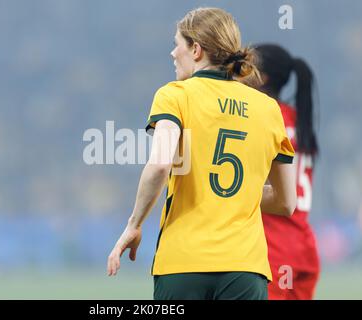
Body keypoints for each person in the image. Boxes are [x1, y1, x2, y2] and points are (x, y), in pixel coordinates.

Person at [107, 7, 297, 300]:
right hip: (245, 268)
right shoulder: (268, 109)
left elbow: (159, 165)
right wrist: (239, 193)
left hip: (183, 264)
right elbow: (286, 203)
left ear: (196, 49)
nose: (173, 53)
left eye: (178, 44)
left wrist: (134, 224)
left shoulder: (174, 95)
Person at [255, 44, 320, 300]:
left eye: (245, 66)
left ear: (262, 77)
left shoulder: (262, 118)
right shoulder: (297, 119)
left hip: (273, 249)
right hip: (303, 247)